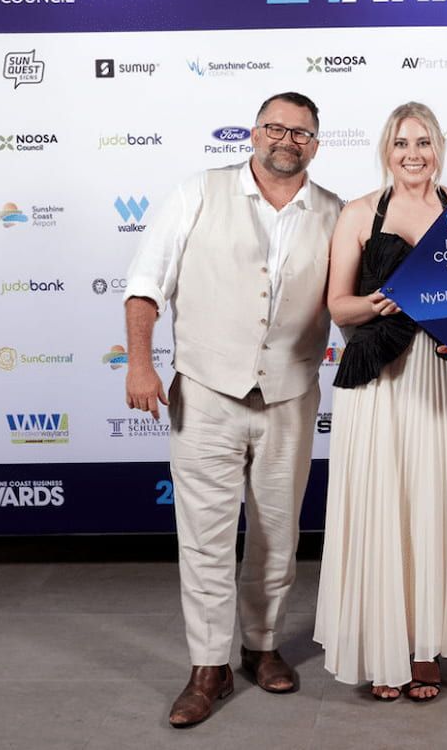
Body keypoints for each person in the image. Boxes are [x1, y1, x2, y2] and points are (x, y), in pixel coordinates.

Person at [123, 92, 343, 727]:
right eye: (275, 127)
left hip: (290, 397)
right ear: (253, 133)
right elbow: (145, 284)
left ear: (316, 145)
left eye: (301, 132)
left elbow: (351, 308)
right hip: (207, 393)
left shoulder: (333, 211)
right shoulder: (199, 191)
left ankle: (261, 647)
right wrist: (141, 363)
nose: (286, 139)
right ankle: (207, 667)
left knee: (277, 535)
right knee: (206, 538)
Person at [314, 102, 447, 701]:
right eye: (401, 142)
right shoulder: (359, 212)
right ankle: (383, 649)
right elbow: (337, 305)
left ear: (439, 147)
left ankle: (428, 650)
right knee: (384, 504)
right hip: (381, 381)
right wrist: (379, 303)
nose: (413, 153)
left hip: (444, 379)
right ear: (386, 149)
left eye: (423, 141)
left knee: (438, 503)